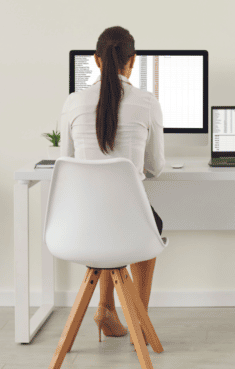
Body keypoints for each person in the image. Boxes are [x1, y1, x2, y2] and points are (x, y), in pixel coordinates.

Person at [59, 26, 165, 339]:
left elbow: (65, 162)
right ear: (132, 61)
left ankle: (106, 306)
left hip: (80, 226)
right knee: (140, 221)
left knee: (106, 216)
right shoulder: (146, 102)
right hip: (125, 224)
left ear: (96, 60)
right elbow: (155, 167)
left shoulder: (73, 102)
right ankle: (139, 322)